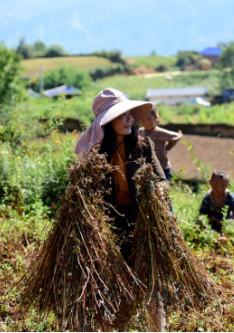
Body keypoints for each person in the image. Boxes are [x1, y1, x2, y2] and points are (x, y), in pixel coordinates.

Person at [75, 88, 168, 332]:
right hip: (107, 227)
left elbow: (161, 179)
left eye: (130, 114)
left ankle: (156, 329)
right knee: (109, 282)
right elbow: (80, 193)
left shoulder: (143, 147)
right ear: (106, 122)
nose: (129, 119)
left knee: (150, 282)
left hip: (140, 223)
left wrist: (159, 190)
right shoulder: (94, 155)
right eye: (122, 115)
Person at [139, 107, 183, 181]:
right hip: (147, 167)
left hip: (162, 167)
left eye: (149, 119)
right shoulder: (140, 132)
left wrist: (168, 147)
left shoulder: (159, 132)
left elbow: (177, 136)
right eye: (143, 120)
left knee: (163, 189)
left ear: (156, 118)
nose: (146, 123)